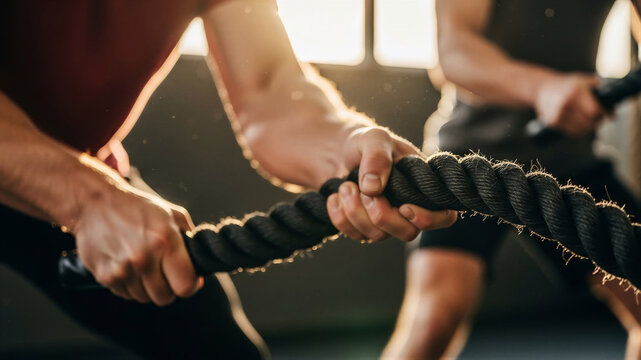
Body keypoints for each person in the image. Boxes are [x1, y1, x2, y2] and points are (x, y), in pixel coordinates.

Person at [0, 0, 458, 358]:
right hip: (64, 181)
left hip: (87, 175)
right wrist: (87, 198)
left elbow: (270, 89)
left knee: (217, 347)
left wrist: (346, 144)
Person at [383, 0, 641, 359]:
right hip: (470, 159)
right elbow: (453, 52)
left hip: (571, 161)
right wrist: (543, 88)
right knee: (433, 322)